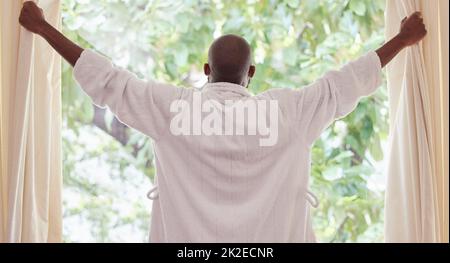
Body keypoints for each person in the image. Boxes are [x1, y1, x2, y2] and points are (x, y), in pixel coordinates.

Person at [18, 1, 426, 242]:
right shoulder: (288, 112)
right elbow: (345, 83)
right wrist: (404, 39)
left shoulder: (171, 109)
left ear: (205, 69)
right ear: (252, 74)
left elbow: (108, 80)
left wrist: (41, 27)